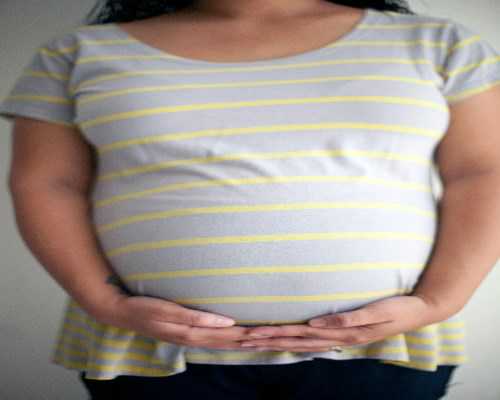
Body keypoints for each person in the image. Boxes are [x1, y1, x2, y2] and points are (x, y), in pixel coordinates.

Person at [1, 0, 500, 398]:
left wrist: (438, 301)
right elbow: (47, 184)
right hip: (152, 354)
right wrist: (103, 302)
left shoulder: (438, 44)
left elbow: (482, 173)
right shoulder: (77, 53)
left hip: (382, 350)